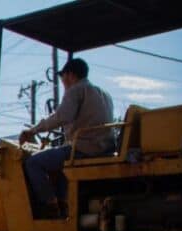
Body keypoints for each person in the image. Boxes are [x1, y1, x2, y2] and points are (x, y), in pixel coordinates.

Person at [19, 58, 114, 218]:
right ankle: (63, 203)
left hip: (84, 149)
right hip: (105, 148)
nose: (63, 83)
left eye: (63, 79)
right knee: (62, 166)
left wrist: (33, 130)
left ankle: (50, 205)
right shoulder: (104, 94)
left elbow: (61, 117)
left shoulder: (76, 89)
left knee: (33, 163)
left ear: (70, 74)